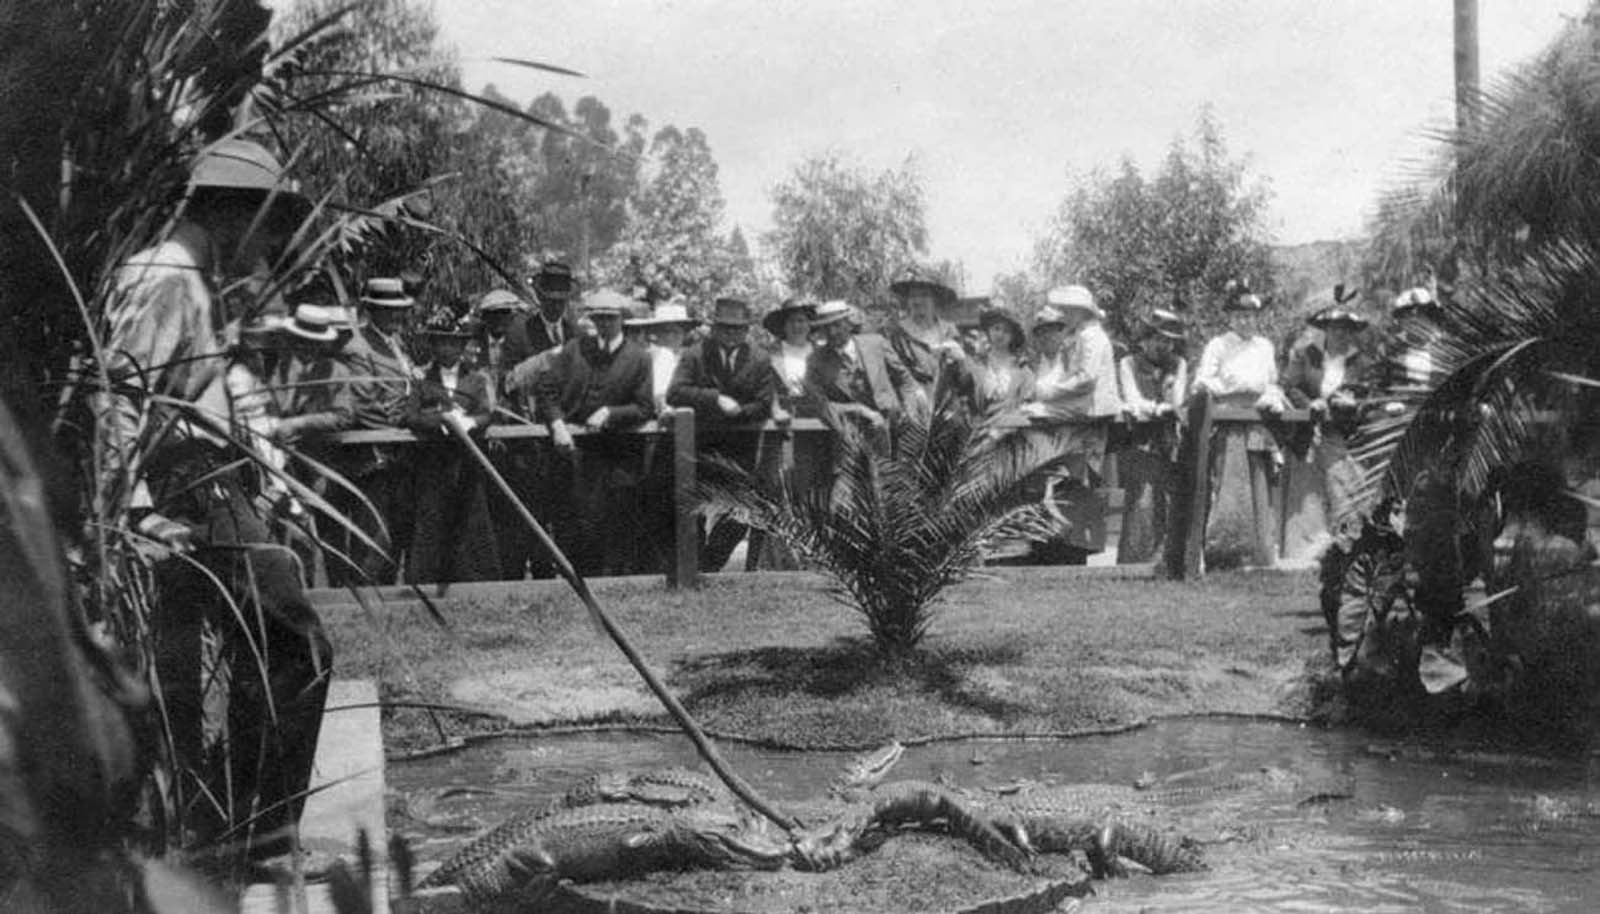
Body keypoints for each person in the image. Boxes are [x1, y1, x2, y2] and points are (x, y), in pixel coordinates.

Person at [97, 137, 330, 868]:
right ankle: (259, 834)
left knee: (266, 648)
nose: (265, 250)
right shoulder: (167, 277)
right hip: (189, 487)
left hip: (210, 481)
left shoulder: (189, 281)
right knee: (297, 642)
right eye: (265, 228)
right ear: (234, 214)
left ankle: (235, 824)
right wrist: (133, 512)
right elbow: (120, 397)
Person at [539, 289, 656, 576]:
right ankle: (581, 584)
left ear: (621, 320)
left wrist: (611, 414)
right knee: (581, 521)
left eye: (610, 318)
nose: (604, 324)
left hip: (621, 453)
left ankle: (619, 585)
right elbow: (547, 390)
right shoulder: (575, 350)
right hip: (580, 453)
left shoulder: (639, 358)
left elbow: (644, 407)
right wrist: (557, 425)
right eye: (599, 318)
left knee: (619, 519)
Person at [669, 297, 777, 571]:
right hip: (700, 446)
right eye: (726, 328)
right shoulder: (695, 354)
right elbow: (675, 392)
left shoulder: (760, 358)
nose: (732, 334)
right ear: (714, 329)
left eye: (738, 329)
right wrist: (714, 398)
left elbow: (764, 403)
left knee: (739, 515)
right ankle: (691, 572)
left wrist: (739, 412)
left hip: (740, 449)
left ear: (746, 330)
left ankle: (709, 567)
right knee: (693, 510)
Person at [1188, 281, 1289, 568]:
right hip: (1228, 420)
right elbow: (1202, 381)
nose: (1246, 321)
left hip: (1257, 420)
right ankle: (1227, 554)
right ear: (1230, 318)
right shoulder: (1219, 345)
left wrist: (1269, 398)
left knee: (1259, 484)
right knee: (1231, 484)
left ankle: (1260, 556)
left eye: (1251, 316)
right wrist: (1225, 390)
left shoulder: (1264, 346)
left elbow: (1271, 382)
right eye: (1240, 316)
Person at [402, 305, 501, 583]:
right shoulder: (421, 378)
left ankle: (476, 583)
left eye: (453, 343)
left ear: (462, 345)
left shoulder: (477, 377)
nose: (447, 349)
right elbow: (410, 416)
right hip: (434, 462)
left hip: (467, 461)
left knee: (471, 519)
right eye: (441, 342)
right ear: (433, 345)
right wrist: (442, 420)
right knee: (433, 519)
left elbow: (487, 412)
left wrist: (470, 423)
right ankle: (427, 583)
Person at [336, 276, 421, 584]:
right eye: (387, 310)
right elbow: (364, 404)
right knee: (373, 538)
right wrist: (402, 424)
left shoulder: (393, 343)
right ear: (371, 310)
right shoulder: (359, 347)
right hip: (374, 457)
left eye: (398, 309)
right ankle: (363, 604)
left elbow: (405, 387)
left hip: (400, 457)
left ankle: (386, 604)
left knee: (395, 536)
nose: (395, 315)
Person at [1281, 297, 1375, 561]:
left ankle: (1348, 545)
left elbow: (1372, 394)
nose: (1339, 333)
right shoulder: (1306, 354)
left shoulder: (1361, 361)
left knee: (1345, 487)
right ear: (1326, 329)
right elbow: (1290, 385)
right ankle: (1307, 550)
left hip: (1346, 434)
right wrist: (1310, 404)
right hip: (1310, 432)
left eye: (1345, 328)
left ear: (1352, 331)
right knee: (1308, 493)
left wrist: (1355, 403)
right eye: (1334, 328)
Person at [1114, 308, 1189, 564]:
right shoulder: (1128, 363)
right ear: (1145, 339)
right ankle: (1134, 560)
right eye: (1157, 338)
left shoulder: (1178, 364)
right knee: (1141, 500)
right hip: (1140, 439)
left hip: (1168, 440)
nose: (1162, 345)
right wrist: (1155, 407)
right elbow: (1132, 398)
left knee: (1167, 499)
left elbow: (1177, 399)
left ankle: (1165, 561)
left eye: (1168, 340)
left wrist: (1167, 405)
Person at [804, 299, 917, 432]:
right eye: (826, 328)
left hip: (895, 427)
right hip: (851, 435)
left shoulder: (876, 344)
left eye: (837, 325)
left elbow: (905, 380)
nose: (832, 332)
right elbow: (819, 404)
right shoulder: (816, 360)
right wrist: (858, 409)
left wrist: (910, 411)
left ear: (849, 324)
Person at [884, 267, 964, 401]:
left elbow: (960, 374)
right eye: (913, 296)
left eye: (923, 295)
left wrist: (959, 358)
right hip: (910, 402)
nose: (917, 301)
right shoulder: (896, 332)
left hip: (945, 403)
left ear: (935, 298)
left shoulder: (948, 330)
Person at [966, 306, 1034, 414]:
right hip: (981, 426)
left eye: (1006, 331)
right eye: (996, 328)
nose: (1000, 334)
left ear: (1013, 337)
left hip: (1014, 425)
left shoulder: (1022, 367)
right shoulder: (976, 364)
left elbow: (1028, 402)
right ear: (989, 331)